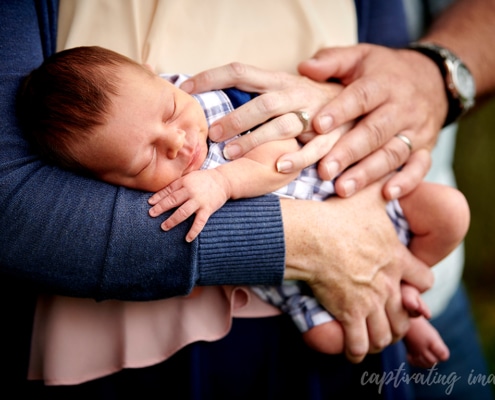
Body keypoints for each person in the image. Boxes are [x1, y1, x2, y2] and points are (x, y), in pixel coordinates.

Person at [1, 0, 493, 398]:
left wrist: (223, 183)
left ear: (158, 77)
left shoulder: (210, 106)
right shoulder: (131, 151)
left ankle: (405, 287)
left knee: (450, 213)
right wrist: (311, 238)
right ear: (113, 183)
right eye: (143, 161)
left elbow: (278, 159)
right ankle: (406, 311)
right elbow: (15, 205)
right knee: (333, 340)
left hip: (354, 188)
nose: (176, 142)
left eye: (171, 110)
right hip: (244, 296)